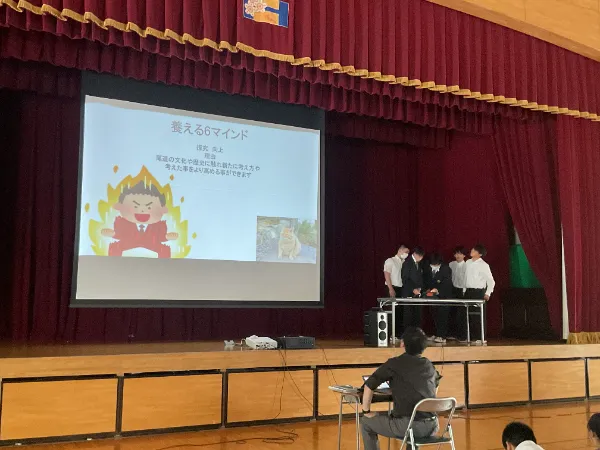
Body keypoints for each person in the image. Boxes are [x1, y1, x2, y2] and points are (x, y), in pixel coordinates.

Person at [361, 327, 440, 450]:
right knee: (411, 421)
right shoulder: (428, 365)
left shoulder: (394, 363)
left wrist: (366, 412)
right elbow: (435, 387)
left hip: (409, 426)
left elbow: (369, 385)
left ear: (402, 344)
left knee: (366, 422)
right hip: (432, 425)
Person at [460, 244, 495, 342]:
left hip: (478, 292)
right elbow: (465, 277)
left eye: (474, 250)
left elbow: (491, 281)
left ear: (480, 254)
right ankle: (468, 336)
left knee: (478, 315)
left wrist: (488, 293)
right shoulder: (468, 262)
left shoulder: (484, 265)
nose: (471, 251)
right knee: (466, 315)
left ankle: (480, 337)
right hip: (468, 291)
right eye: (472, 249)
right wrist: (464, 290)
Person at [424, 253, 453, 344]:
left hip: (444, 296)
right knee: (434, 315)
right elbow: (426, 280)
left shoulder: (446, 269)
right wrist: (427, 289)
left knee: (442, 316)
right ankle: (435, 334)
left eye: (435, 264)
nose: (433, 266)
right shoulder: (427, 268)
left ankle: (442, 336)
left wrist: (437, 290)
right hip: (432, 296)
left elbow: (447, 284)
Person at [384, 244, 410, 337]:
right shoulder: (390, 260)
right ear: (400, 250)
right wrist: (390, 288)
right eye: (406, 252)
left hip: (401, 288)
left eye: (408, 253)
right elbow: (387, 274)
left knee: (400, 312)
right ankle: (391, 334)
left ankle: (398, 334)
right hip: (392, 287)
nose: (407, 254)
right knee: (392, 311)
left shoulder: (404, 262)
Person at [401, 247, 425, 329]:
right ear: (414, 254)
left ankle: (417, 333)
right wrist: (413, 289)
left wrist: (420, 288)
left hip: (417, 293)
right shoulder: (407, 263)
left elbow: (419, 277)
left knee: (417, 315)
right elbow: (405, 279)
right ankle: (408, 333)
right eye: (419, 256)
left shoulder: (418, 263)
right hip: (409, 293)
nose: (420, 258)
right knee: (408, 315)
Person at [447, 246, 467, 340]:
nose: (458, 255)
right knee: (452, 312)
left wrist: (464, 291)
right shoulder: (451, 264)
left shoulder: (467, 266)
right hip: (452, 290)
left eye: (460, 253)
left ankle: (462, 335)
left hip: (462, 290)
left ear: (464, 255)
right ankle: (452, 333)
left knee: (461, 314)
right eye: (456, 253)